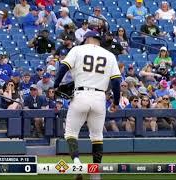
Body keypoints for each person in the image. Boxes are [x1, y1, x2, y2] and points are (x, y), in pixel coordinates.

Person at [53, 31, 121, 179]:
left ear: (88, 39)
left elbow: (63, 68)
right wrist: (115, 102)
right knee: (97, 136)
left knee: (70, 133)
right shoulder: (109, 55)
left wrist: (56, 85)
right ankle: (95, 173)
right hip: (99, 98)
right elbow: (116, 81)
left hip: (81, 95)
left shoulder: (78, 49)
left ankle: (77, 164)